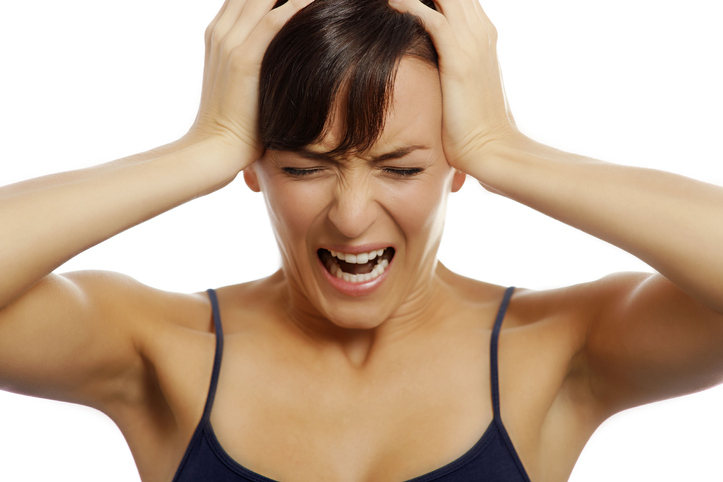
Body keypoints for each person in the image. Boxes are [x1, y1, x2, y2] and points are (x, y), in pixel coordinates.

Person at [1, 0, 722, 481]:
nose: (350, 216)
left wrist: (507, 148)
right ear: (255, 167)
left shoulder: (558, 349)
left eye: (398, 167)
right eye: (304, 167)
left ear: (455, 164)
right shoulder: (157, 348)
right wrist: (202, 148)